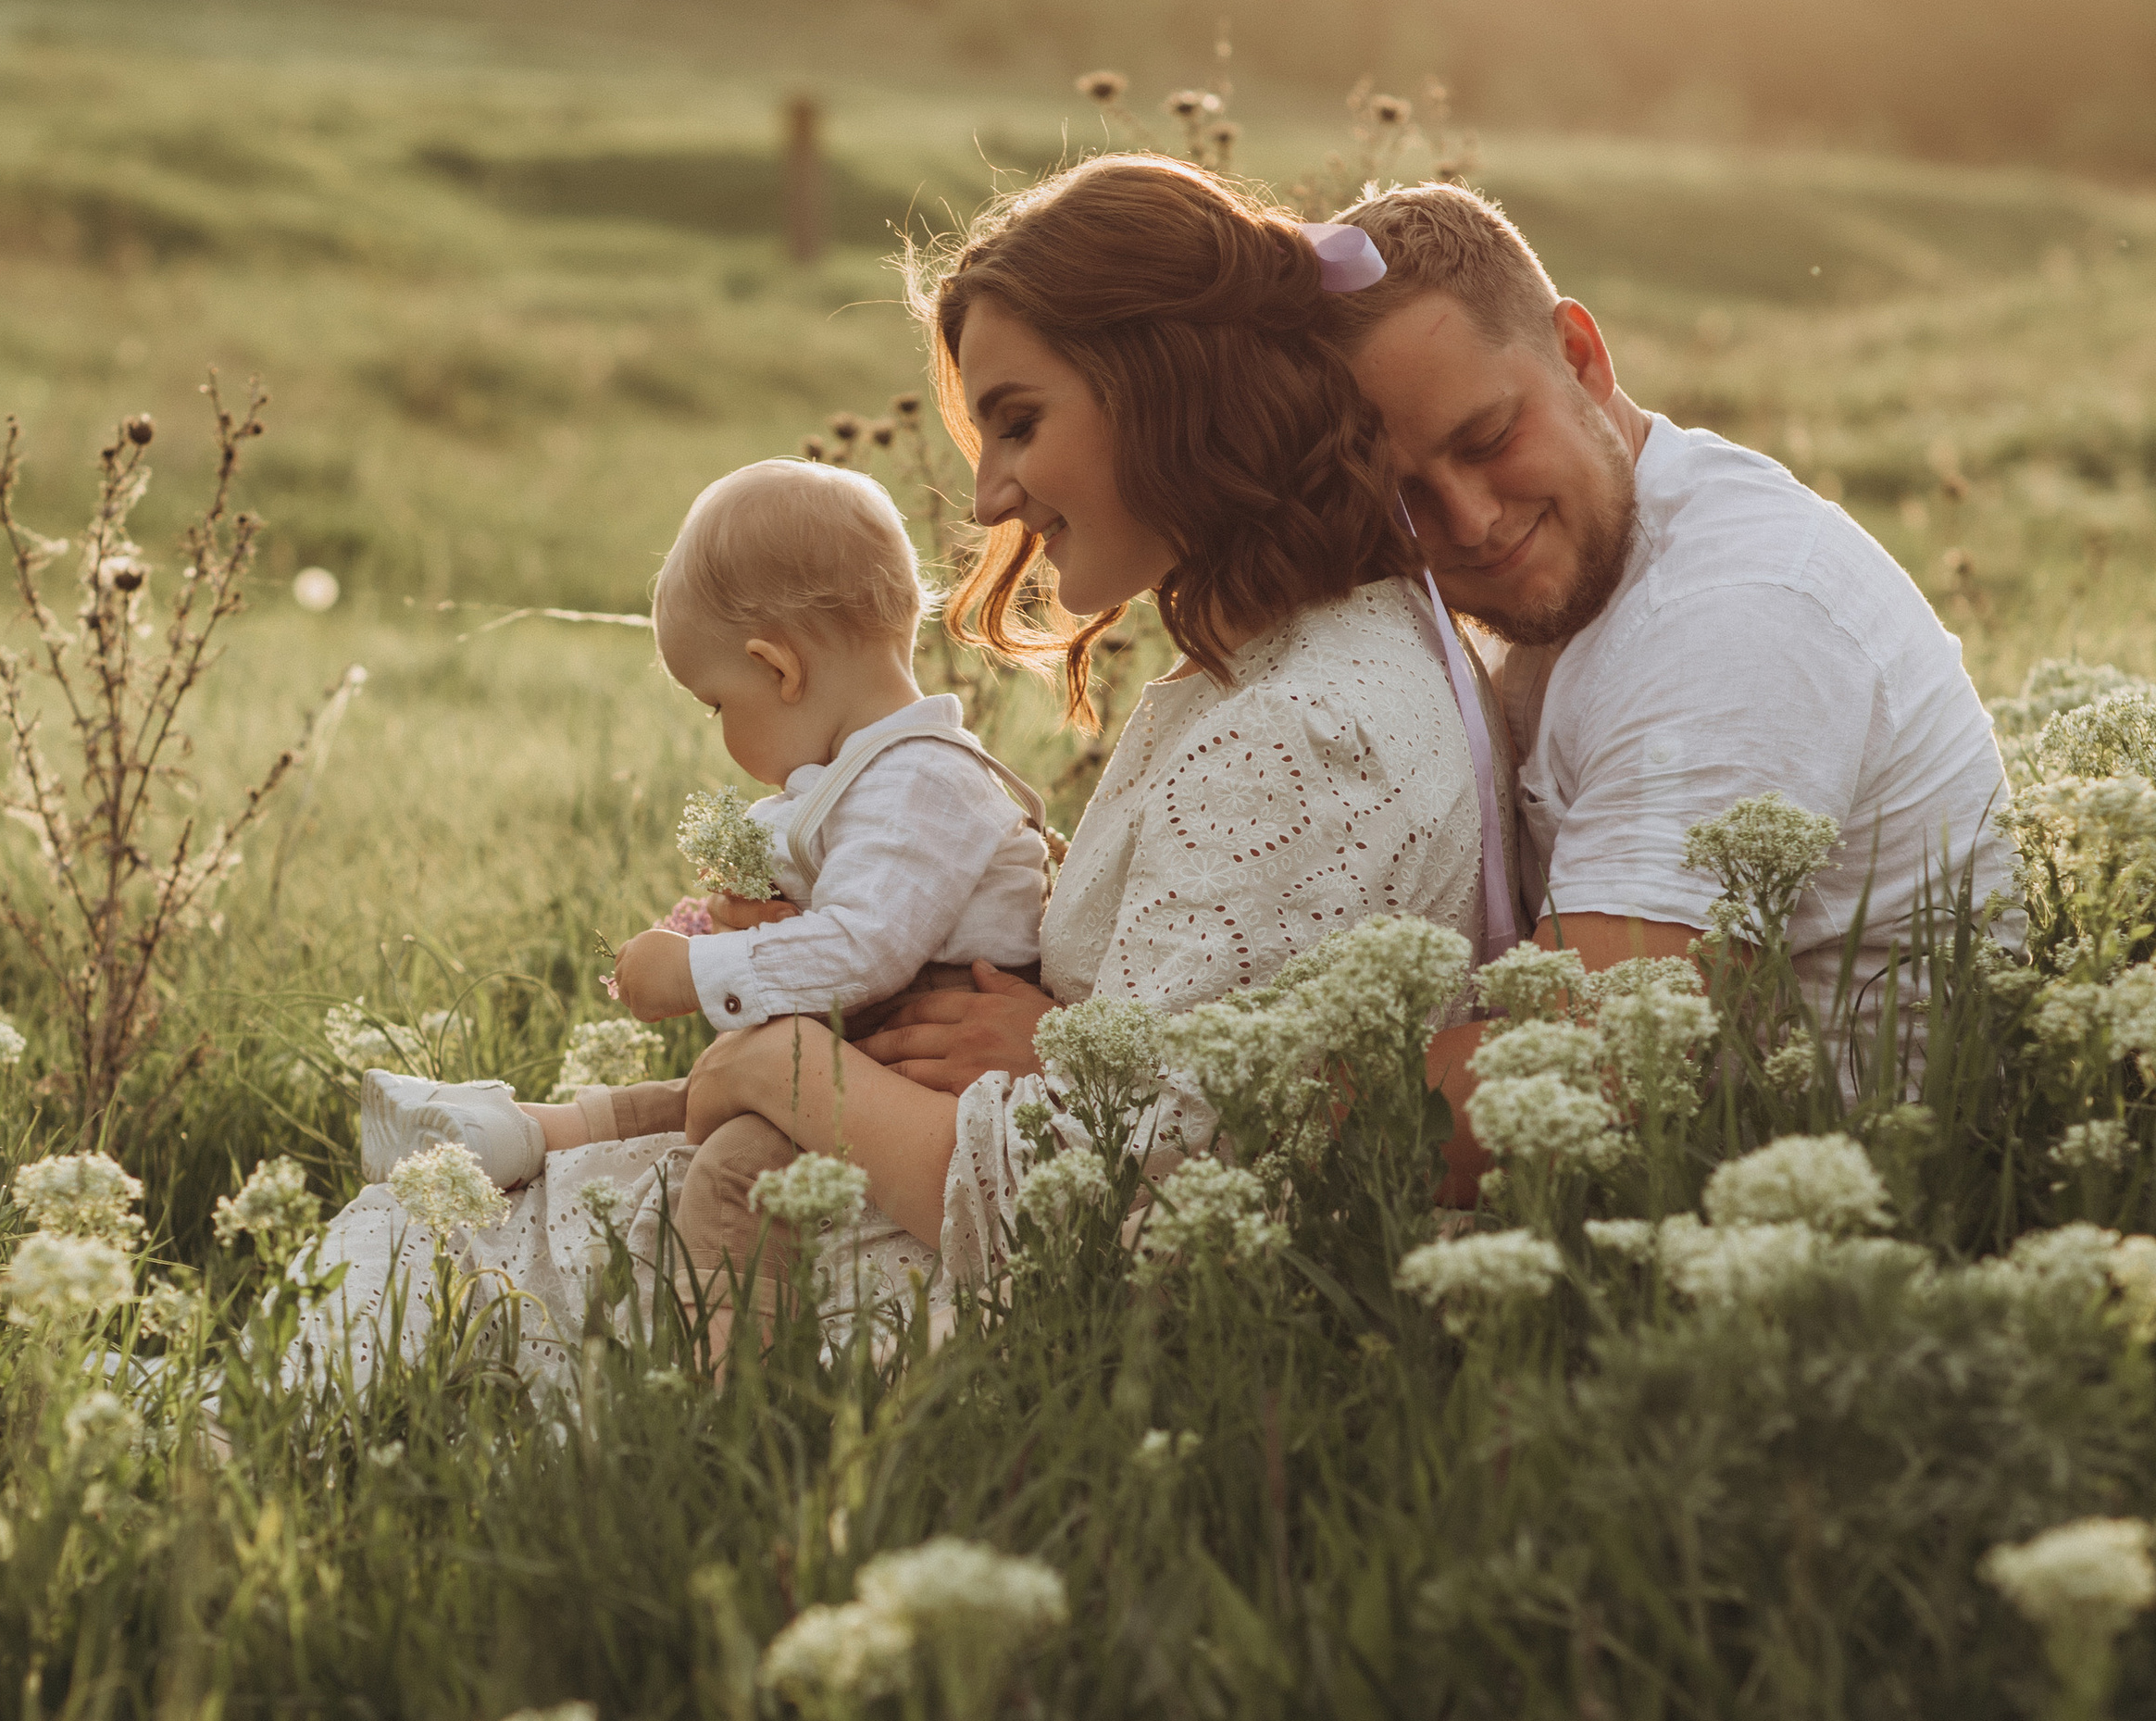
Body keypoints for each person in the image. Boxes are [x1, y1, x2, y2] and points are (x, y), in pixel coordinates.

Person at [293, 154, 1514, 1395]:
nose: (989, 494)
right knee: (439, 1231)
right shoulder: (1285, 673)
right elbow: (1202, 1066)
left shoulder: (1303, 731)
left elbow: (1117, 1218)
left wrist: (788, 1065)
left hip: (1030, 1320)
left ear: (1166, 385)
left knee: (430, 1251)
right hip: (968, 1190)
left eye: (1020, 421)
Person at [1307, 181, 2014, 1182]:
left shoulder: (1735, 619)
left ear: (1582, 356)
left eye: (1488, 439)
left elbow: (1575, 1081)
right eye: (1403, 493)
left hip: (1839, 1242)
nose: (1466, 520)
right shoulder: (1595, 564)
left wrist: (1166, 1099)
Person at [358, 456, 1052, 1316]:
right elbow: (786, 907)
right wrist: (714, 922)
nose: (721, 730)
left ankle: (720, 1396)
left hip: (926, 1069)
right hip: (873, 1049)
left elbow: (864, 948)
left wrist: (697, 972)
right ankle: (514, 1131)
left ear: (779, 669)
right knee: (703, 1095)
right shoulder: (855, 779)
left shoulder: (922, 783)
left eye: (718, 704)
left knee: (730, 1179)